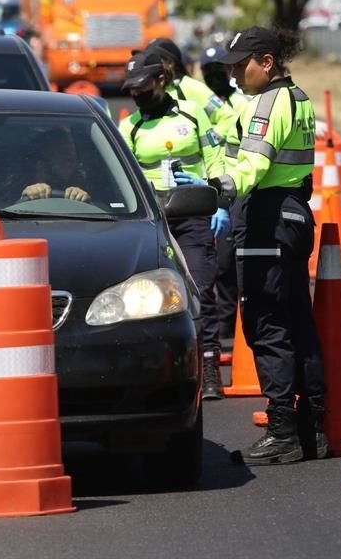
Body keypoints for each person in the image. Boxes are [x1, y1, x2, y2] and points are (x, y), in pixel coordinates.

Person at [174, 26, 326, 465]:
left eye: (242, 65)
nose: (235, 73)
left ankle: (283, 431)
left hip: (267, 217)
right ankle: (312, 426)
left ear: (267, 62)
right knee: (297, 321)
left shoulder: (267, 104)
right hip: (293, 211)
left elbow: (253, 166)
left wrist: (214, 188)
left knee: (266, 321)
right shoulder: (298, 99)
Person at [118, 50, 229, 400]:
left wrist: (216, 200)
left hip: (194, 216)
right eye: (132, 89)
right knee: (148, 295)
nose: (138, 93)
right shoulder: (128, 127)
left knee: (201, 290)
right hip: (153, 223)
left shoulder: (192, 115)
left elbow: (215, 159)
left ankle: (210, 369)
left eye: (143, 86)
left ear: (161, 81)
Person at [200, 45, 249, 339]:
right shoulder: (202, 104)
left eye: (217, 70)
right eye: (207, 71)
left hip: (231, 186)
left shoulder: (241, 104)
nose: (212, 76)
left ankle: (229, 327)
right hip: (204, 186)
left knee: (227, 261)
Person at [20, 130, 91, 203]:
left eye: (71, 159)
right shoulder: (14, 191)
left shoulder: (89, 189)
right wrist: (26, 197)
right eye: (65, 159)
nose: (77, 165)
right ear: (41, 165)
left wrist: (83, 199)